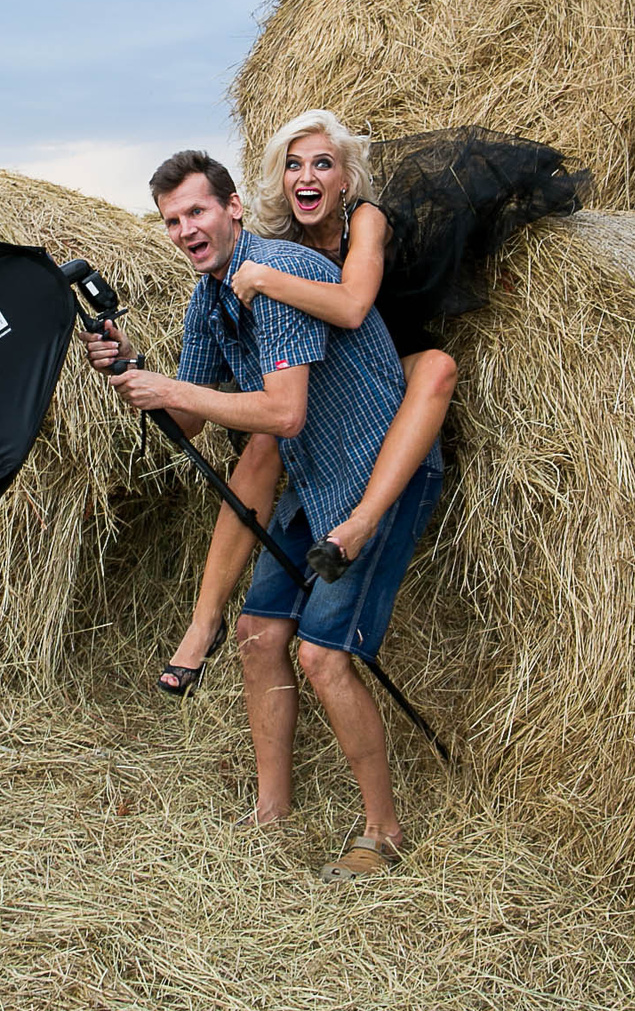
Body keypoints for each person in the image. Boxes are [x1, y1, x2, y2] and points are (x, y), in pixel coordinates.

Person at [85, 148, 439, 879]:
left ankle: (383, 829)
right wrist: (131, 369)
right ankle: (271, 811)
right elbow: (187, 421)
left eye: (197, 211)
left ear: (234, 207)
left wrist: (172, 391)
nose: (186, 228)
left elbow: (283, 411)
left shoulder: (276, 277)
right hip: (313, 483)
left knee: (322, 654)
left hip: (375, 476)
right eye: (173, 219)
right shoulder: (207, 299)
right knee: (255, 633)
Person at [153, 111, 581, 697]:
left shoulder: (364, 219)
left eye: (322, 164)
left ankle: (365, 516)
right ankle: (204, 623)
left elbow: (354, 306)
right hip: (333, 365)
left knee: (436, 367)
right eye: (293, 166)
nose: (306, 176)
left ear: (346, 180)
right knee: (262, 446)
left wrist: (266, 281)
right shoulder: (282, 243)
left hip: (388, 336)